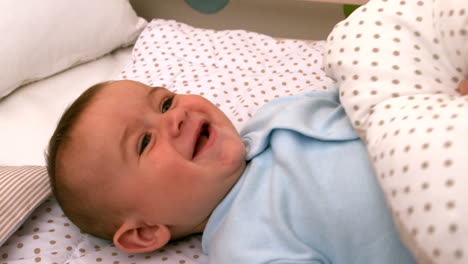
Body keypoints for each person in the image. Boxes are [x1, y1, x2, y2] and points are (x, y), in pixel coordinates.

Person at [47, 79, 433, 264]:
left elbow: (361, 92)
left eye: (164, 102)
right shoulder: (244, 244)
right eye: (144, 143)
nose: (175, 117)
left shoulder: (273, 114)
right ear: (146, 231)